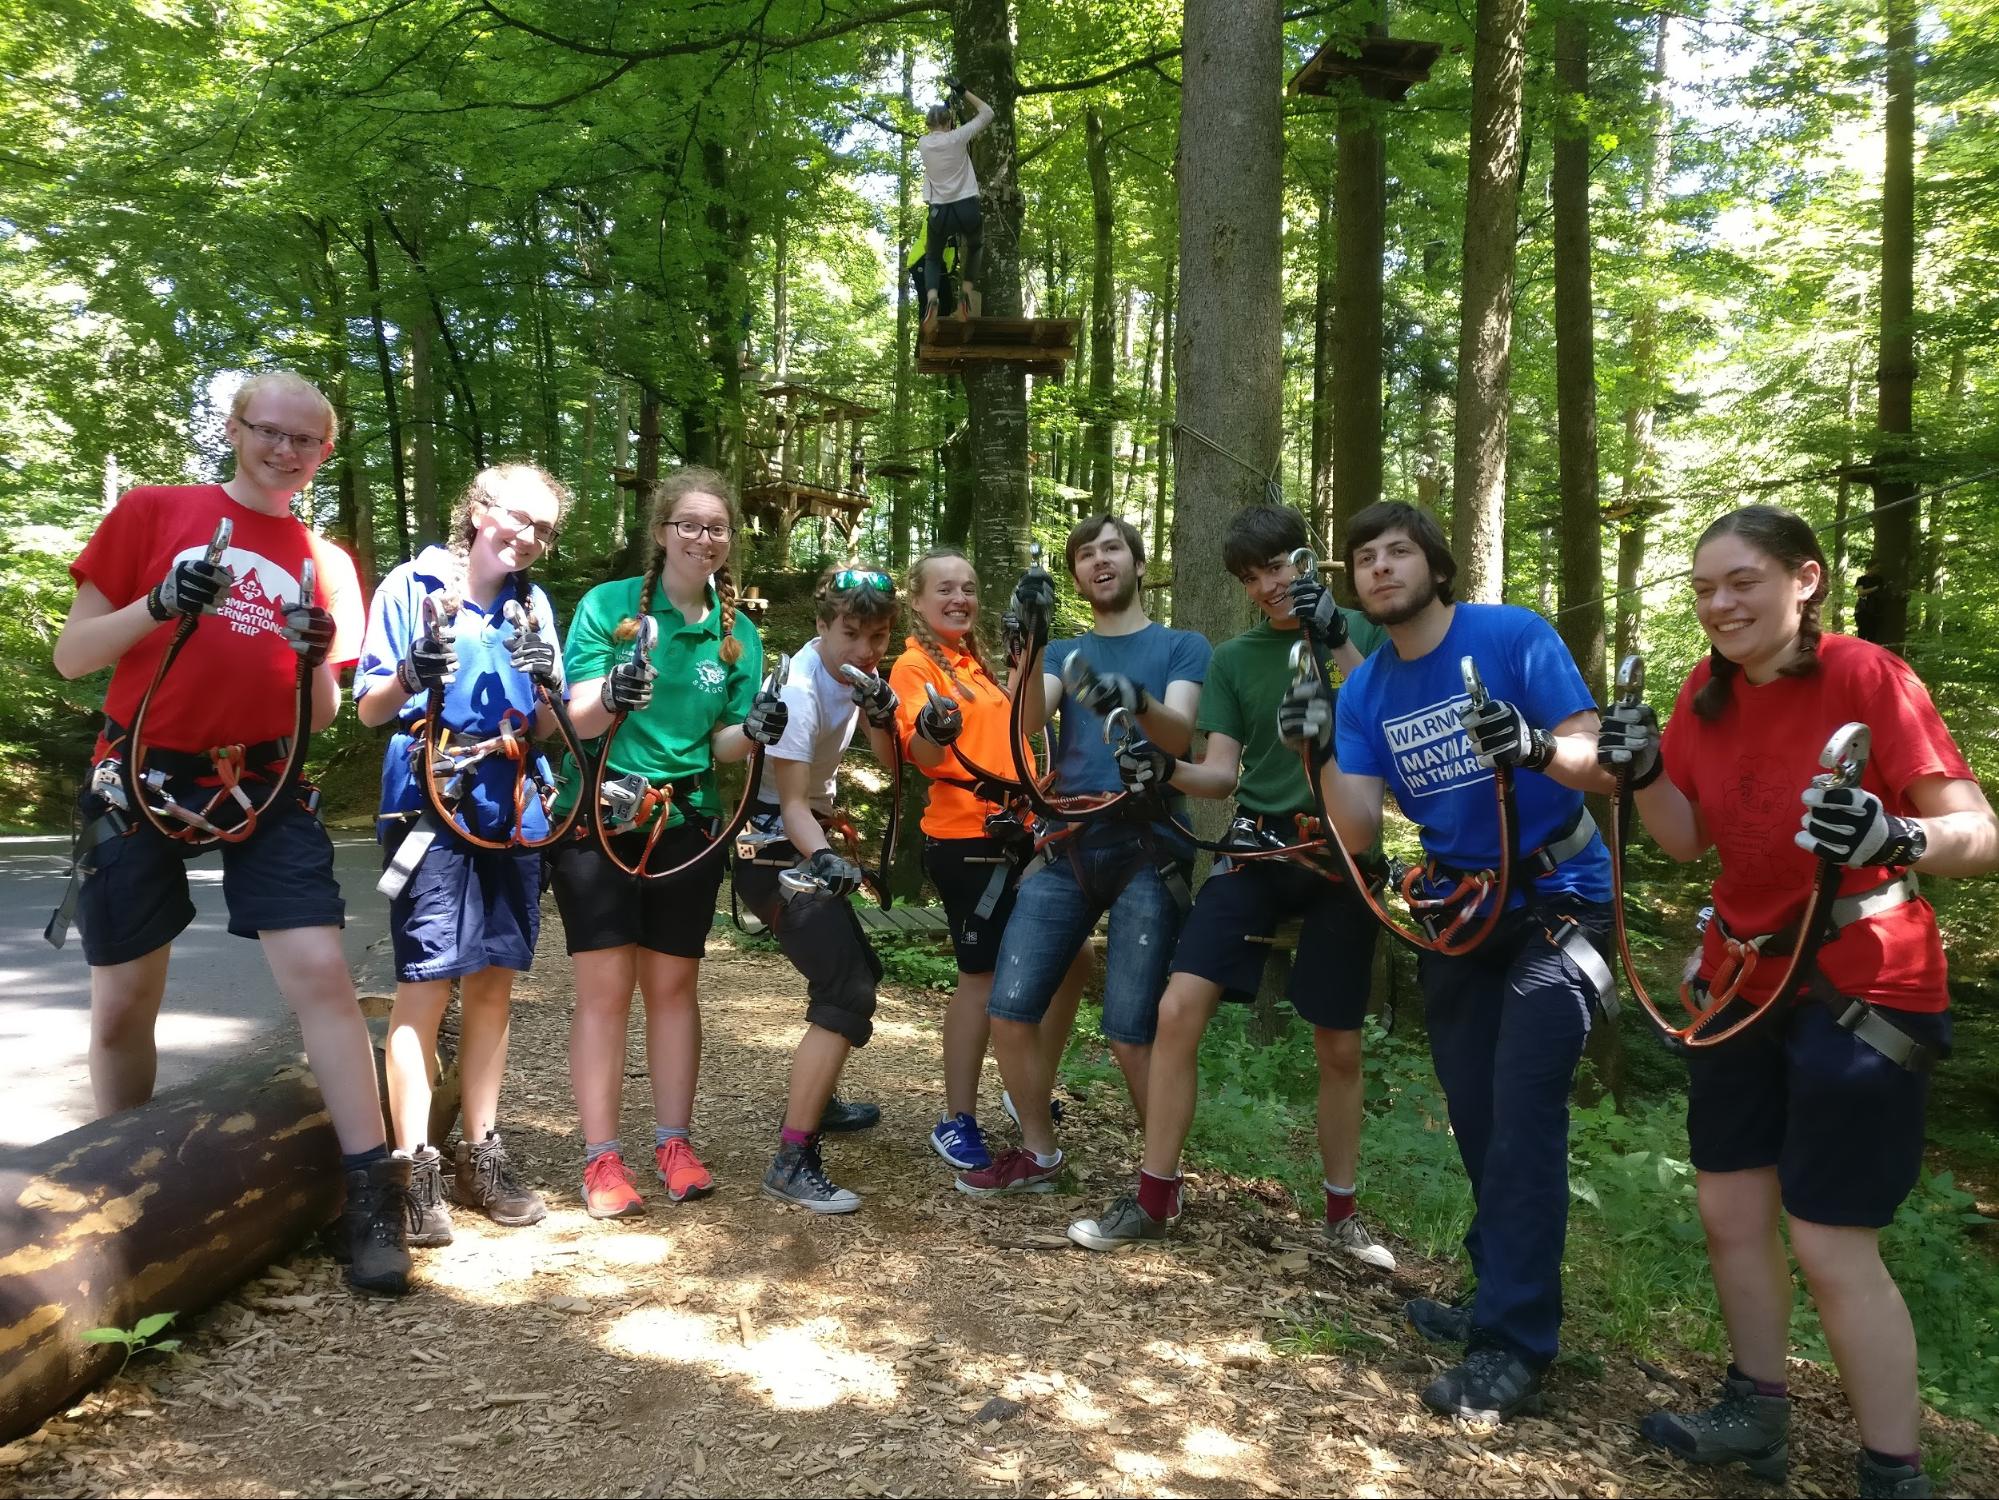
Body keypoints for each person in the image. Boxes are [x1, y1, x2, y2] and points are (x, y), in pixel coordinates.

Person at [1599, 505, 1997, 1500]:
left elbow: (1979, 835)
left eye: (1741, 582)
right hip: (1741, 982)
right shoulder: (1705, 692)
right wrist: (1643, 770)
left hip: (1863, 983)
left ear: (1803, 579)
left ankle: (1892, 1471)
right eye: (1704, 589)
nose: (1719, 605)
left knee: (1827, 1238)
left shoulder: (1866, 676)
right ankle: (1756, 1411)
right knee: (1728, 1208)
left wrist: (1893, 835)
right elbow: (1683, 838)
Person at [51, 370, 409, 1295]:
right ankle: (116, 1191)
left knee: (321, 973)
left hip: (265, 777)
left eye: (306, 440)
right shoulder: (154, 512)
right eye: (269, 431)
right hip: (140, 771)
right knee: (124, 999)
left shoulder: (326, 563)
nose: (285, 451)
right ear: (236, 427)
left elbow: (321, 712)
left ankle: (373, 1194)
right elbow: (73, 655)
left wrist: (310, 657)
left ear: (325, 453)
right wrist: (160, 603)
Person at [1277, 500, 1616, 1420]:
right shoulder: (1366, 692)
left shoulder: (1511, 635)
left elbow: (1598, 756)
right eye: (1364, 558)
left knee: (1522, 1113)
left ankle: (1513, 1343)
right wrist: (1316, 748)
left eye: (1398, 551)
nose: (1380, 568)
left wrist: (1534, 748)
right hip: (1461, 918)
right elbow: (1354, 830)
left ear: (1434, 564)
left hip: (1559, 901)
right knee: (1475, 1116)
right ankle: (1496, 1293)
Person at [1066, 505, 1394, 1269]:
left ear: (1306, 561)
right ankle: (1153, 1198)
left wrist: (1336, 639)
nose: (1265, 587)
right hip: (1257, 846)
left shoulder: (1365, 633)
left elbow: (1389, 718)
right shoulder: (1235, 659)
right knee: (1176, 1008)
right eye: (1250, 577)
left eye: (1275, 567)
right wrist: (1162, 770)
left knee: (1338, 1042)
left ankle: (1342, 1217)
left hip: (1342, 854)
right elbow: (1218, 773)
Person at [546, 467, 786, 1219]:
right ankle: (601, 1158)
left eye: (716, 528)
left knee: (675, 989)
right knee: (605, 991)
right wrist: (611, 692)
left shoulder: (736, 634)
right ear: (660, 532)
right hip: (600, 815)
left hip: (686, 824)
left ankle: (673, 1144)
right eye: (688, 525)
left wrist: (755, 731)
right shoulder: (609, 606)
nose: (703, 539)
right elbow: (576, 717)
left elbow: (722, 746)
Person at [956, 514, 1211, 1197]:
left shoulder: (1181, 646)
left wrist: (1133, 700)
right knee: (1009, 1009)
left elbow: (1179, 734)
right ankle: (1038, 1153)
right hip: (1068, 842)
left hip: (1150, 844)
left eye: (1112, 548)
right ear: (1074, 576)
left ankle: (1160, 1183)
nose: (1100, 560)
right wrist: (1032, 640)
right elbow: (1025, 721)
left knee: (1130, 1031)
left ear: (1136, 562)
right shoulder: (1066, 654)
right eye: (1086, 554)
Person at [355, 464, 570, 1245]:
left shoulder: (533, 606)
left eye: (544, 529)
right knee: (426, 981)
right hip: (430, 795)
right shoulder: (410, 587)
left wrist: (547, 686)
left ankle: (481, 1153)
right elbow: (371, 708)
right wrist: (413, 669)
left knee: (493, 982)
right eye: (518, 518)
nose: (528, 537)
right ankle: (413, 1169)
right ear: (479, 510)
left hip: (510, 802)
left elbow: (549, 728)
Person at [889, 548, 1085, 1173]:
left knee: (1073, 956)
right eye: (945, 589)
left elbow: (1020, 726)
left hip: (1018, 832)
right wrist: (933, 727)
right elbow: (919, 753)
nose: (960, 599)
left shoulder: (974, 663)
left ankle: (1026, 1084)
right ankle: (957, 1117)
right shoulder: (915, 665)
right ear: (917, 600)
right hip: (965, 839)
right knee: (981, 977)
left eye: (969, 588)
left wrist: (1032, 643)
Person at [731, 567, 905, 1214]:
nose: (866, 649)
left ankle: (820, 1100)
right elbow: (792, 804)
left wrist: (883, 713)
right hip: (774, 849)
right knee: (846, 987)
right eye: (851, 633)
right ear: (822, 626)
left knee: (858, 972)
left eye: (878, 636)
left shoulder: (858, 678)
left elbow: (891, 765)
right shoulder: (800, 688)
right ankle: (792, 1160)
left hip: (805, 841)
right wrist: (827, 859)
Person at [918, 82, 994, 329]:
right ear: (949, 122)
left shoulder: (923, 143)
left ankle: (932, 298)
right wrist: (962, 91)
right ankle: (965, 294)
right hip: (966, 207)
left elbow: (940, 132)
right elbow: (987, 113)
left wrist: (945, 112)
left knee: (932, 257)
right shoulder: (958, 137)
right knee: (975, 245)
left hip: (940, 212)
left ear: (929, 124)